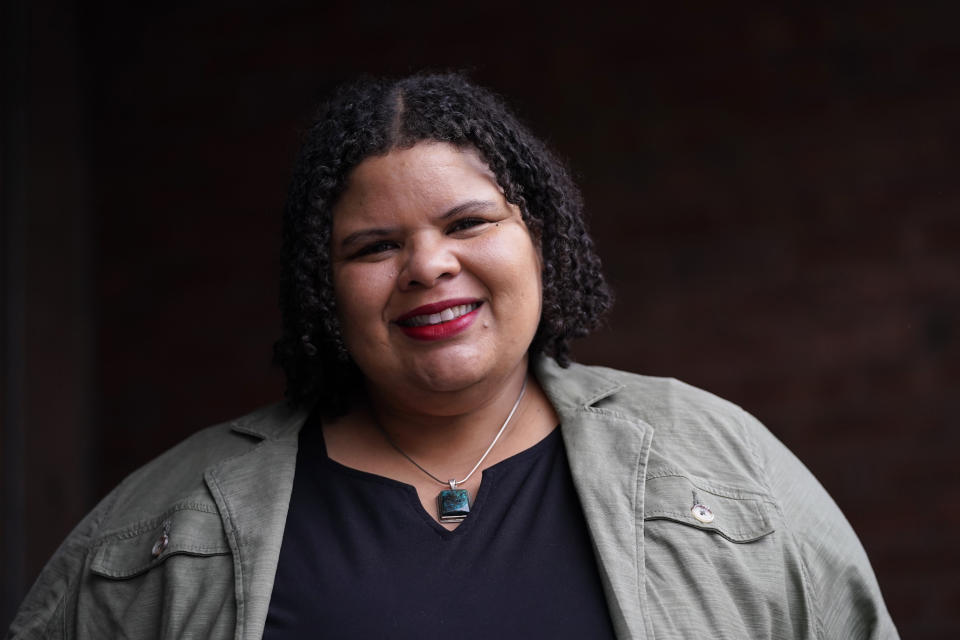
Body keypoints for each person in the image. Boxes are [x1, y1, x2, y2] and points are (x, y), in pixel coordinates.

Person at [8, 73, 898, 639]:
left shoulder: (717, 462)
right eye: (373, 247)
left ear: (538, 243)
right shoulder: (167, 525)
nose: (429, 265)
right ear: (325, 288)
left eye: (469, 223)